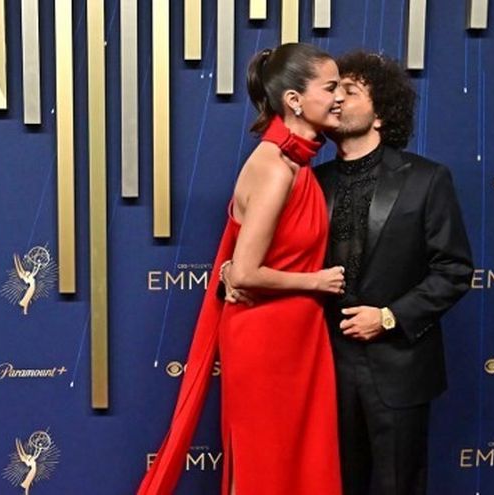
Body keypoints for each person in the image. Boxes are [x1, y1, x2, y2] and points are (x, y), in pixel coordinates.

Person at [229, 50, 474, 494]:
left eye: (351, 91)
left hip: (399, 367)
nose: (337, 99)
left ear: (380, 113)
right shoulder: (307, 179)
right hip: (322, 365)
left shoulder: (426, 179)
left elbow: (453, 270)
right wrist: (231, 270)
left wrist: (389, 317)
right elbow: (270, 253)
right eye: (333, 89)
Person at [138, 43, 345, 495]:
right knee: (264, 468)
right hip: (267, 339)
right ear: (294, 100)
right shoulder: (275, 168)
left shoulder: (296, 164)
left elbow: (240, 267)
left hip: (298, 335)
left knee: (298, 465)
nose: (339, 98)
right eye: (331, 88)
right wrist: (316, 280)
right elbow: (247, 273)